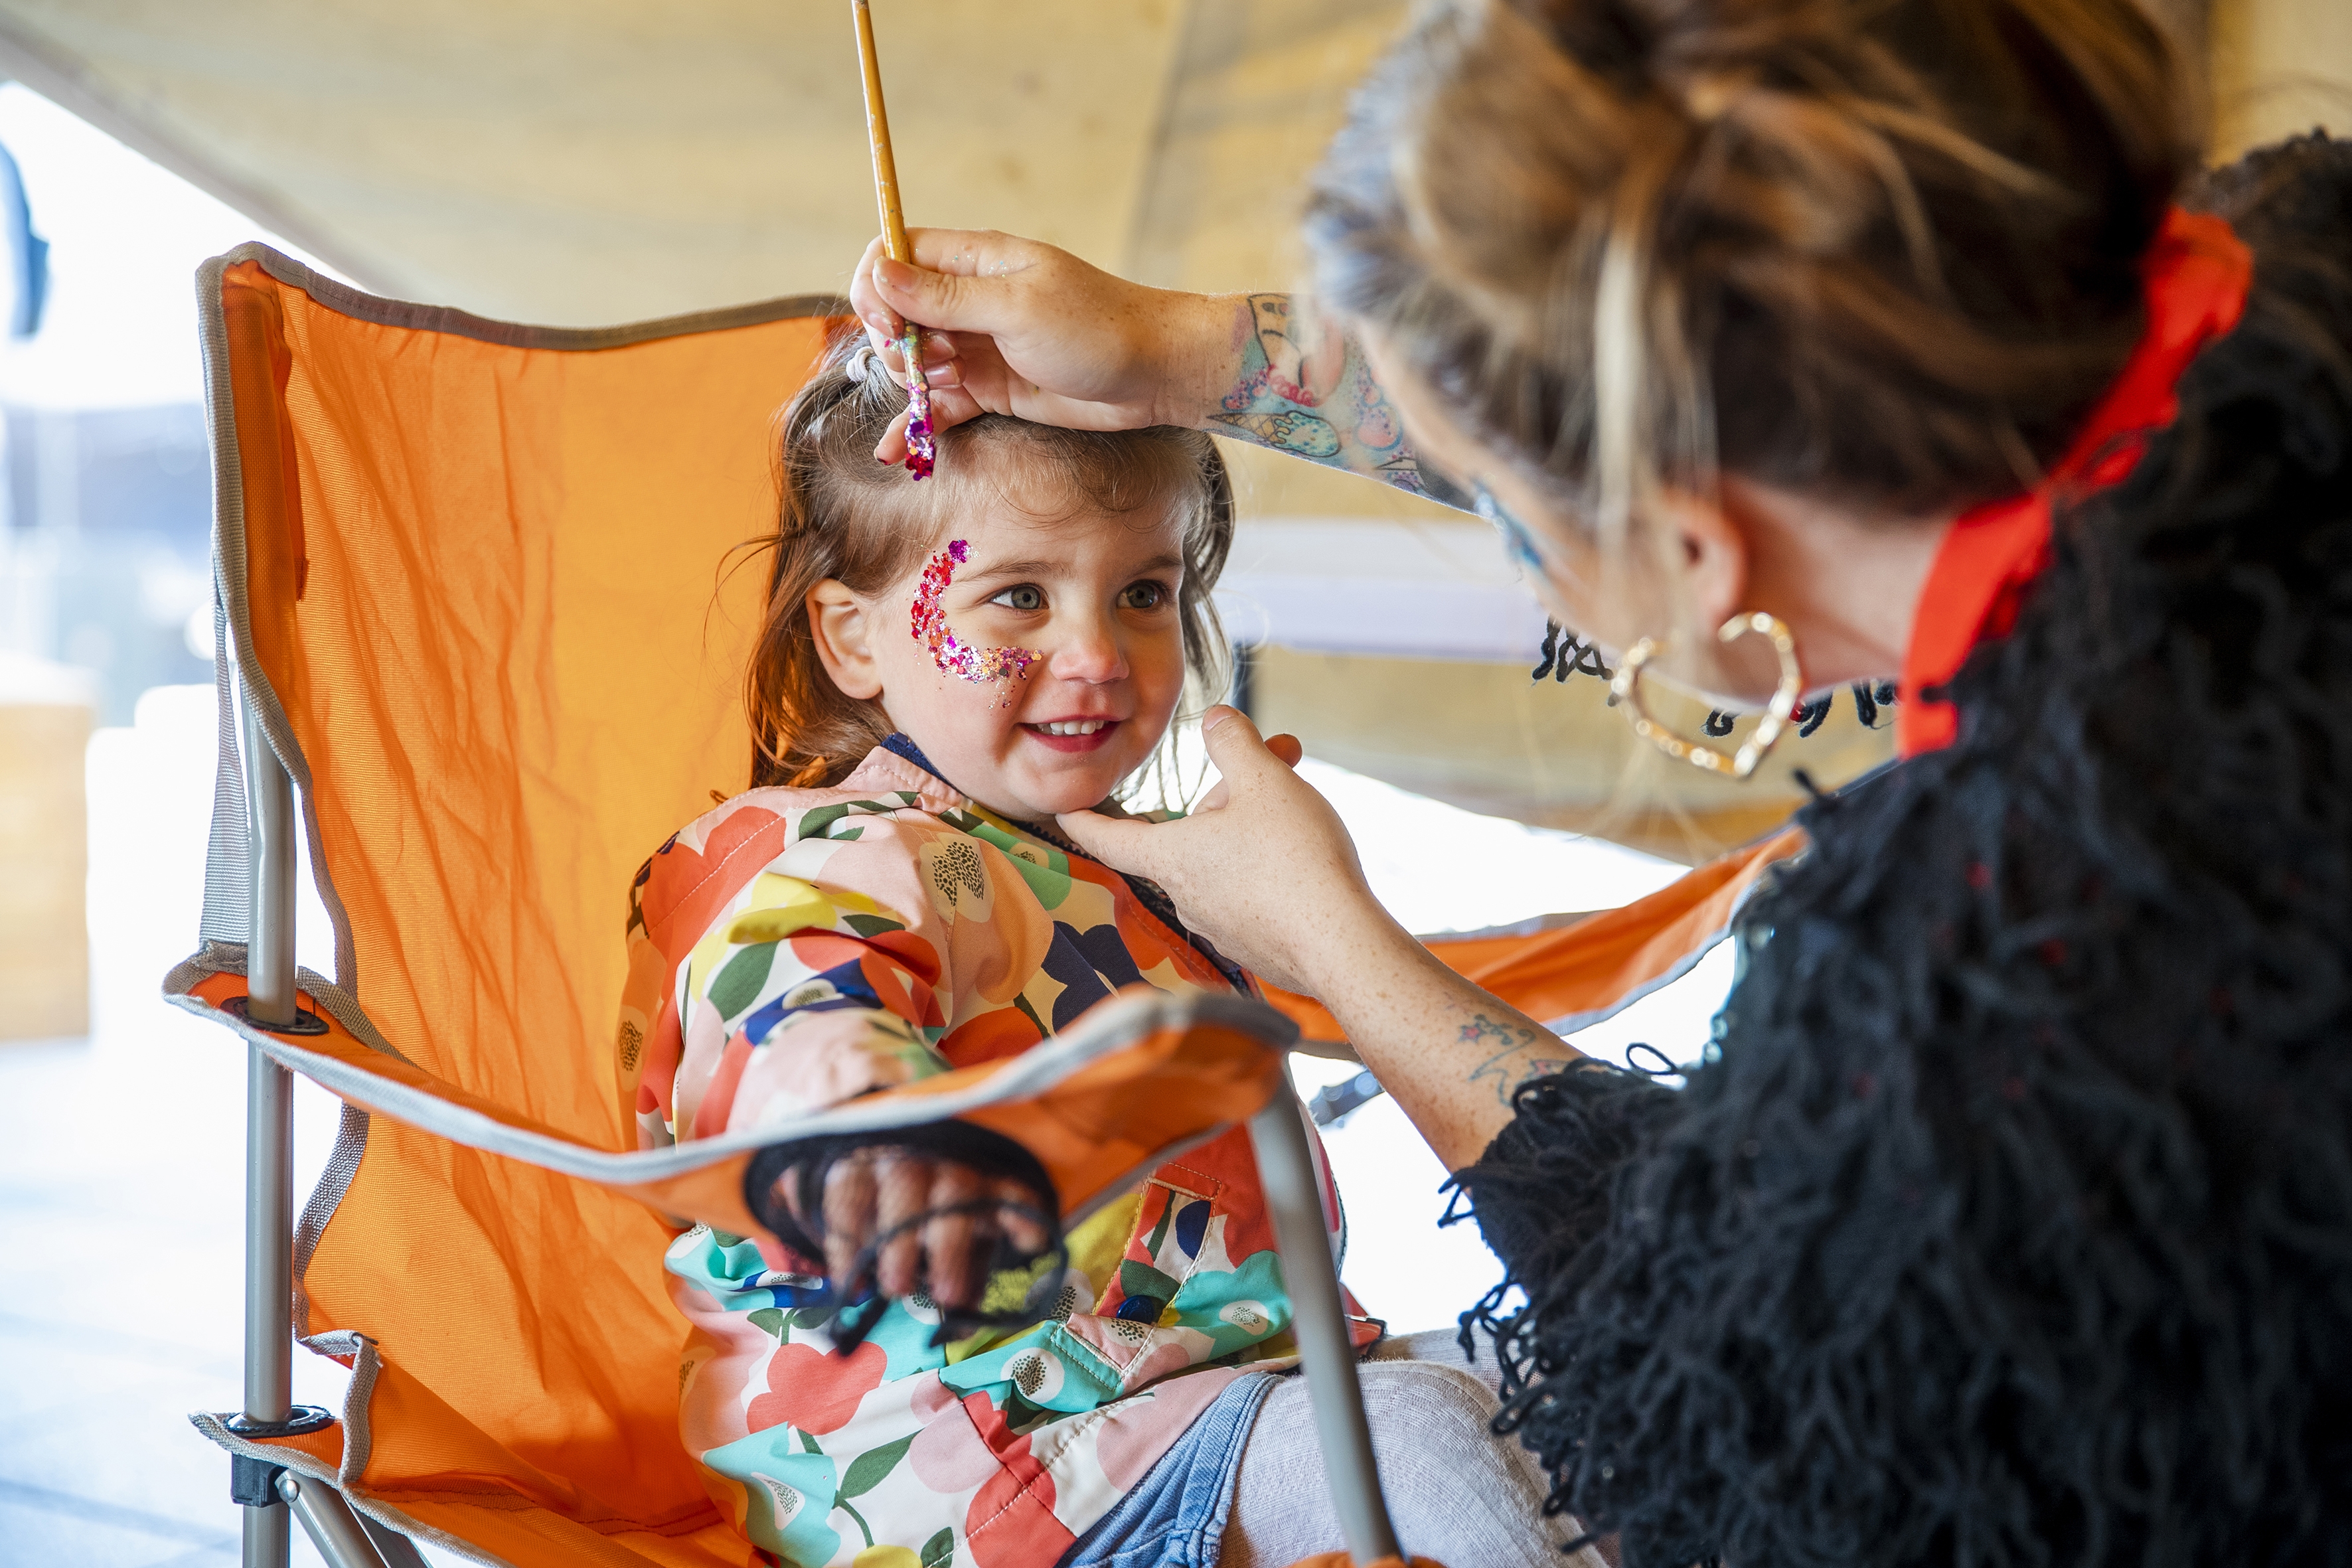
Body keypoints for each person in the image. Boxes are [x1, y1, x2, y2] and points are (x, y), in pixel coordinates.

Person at [837, 0, 2352, 1563]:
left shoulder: (2044, 926)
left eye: (1509, 523)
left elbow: (1761, 1397)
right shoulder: (2295, 267)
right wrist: (1195, 357)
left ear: (1698, 558)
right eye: (1012, 596)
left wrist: (1338, 949)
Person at [613, 331, 1568, 1568]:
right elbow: (794, 998)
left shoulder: (1101, 869)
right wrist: (878, 1146)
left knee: (1583, 1381)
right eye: (1018, 595)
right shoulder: (841, 848)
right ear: (854, 640)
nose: (1100, 653)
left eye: (1144, 592)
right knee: (1421, 1442)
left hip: (1191, 1398)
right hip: (989, 1473)